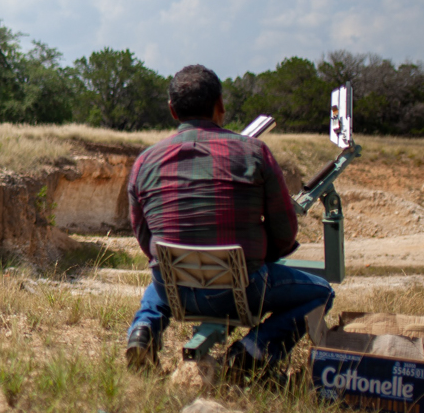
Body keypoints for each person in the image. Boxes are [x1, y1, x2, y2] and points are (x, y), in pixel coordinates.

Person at [123, 64, 333, 374]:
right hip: (243, 290)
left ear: (172, 110)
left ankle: (143, 331)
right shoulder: (255, 152)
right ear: (220, 104)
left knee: (162, 276)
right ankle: (254, 350)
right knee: (321, 292)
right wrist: (264, 257)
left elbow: (145, 238)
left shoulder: (145, 161)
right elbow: (285, 231)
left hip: (175, 287)